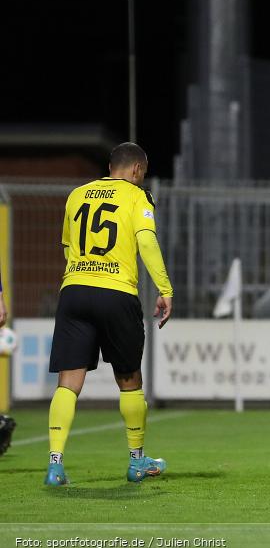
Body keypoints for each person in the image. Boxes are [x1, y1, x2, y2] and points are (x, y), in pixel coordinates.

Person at [45, 142, 174, 486]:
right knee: (129, 380)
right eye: (142, 173)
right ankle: (136, 462)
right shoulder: (136, 196)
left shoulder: (77, 194)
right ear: (135, 170)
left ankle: (55, 465)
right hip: (116, 292)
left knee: (68, 382)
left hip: (73, 291)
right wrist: (165, 289)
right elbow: (146, 241)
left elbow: (67, 247)